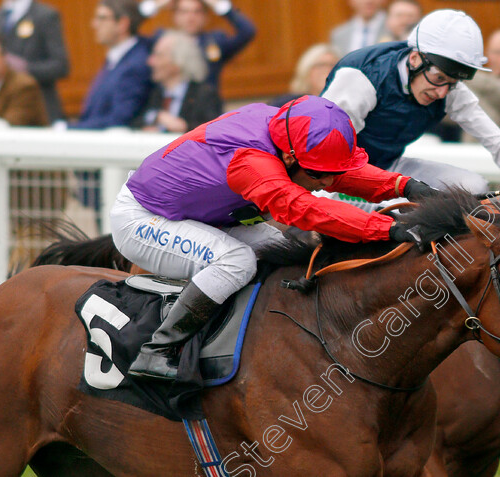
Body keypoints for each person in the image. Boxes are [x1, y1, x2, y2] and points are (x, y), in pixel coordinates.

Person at [111, 95, 433, 380]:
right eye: (319, 176)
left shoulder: (288, 134)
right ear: (291, 158)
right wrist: (387, 228)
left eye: (331, 174)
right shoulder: (250, 162)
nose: (328, 183)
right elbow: (305, 210)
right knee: (237, 261)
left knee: (283, 250)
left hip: (204, 215)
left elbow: (337, 173)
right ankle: (158, 351)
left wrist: (404, 186)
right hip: (144, 218)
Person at [322, 9, 500, 197]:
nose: (442, 93)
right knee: (397, 208)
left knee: (473, 188)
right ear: (414, 59)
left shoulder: (447, 87)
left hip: (389, 167)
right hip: (335, 176)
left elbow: (496, 139)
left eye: (452, 83)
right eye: (438, 79)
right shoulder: (360, 78)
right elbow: (325, 156)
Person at [139, 0, 256, 96]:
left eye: (197, 12)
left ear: (206, 17)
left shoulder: (215, 41)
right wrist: (154, 5)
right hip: (169, 107)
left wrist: (220, 5)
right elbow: (131, 31)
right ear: (174, 16)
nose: (190, 18)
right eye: (184, 12)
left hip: (205, 110)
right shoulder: (163, 40)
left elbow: (247, 32)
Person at [73, 0, 151, 130]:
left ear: (122, 23)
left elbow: (119, 118)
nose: (94, 24)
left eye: (102, 18)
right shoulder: (115, 59)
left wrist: (71, 129)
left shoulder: (136, 64)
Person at [131, 30, 221, 132]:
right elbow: (134, 120)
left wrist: (184, 127)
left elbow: (214, 131)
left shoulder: (204, 94)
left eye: (159, 55)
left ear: (178, 62)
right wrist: (156, 117)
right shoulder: (153, 92)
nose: (150, 61)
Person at [0, 0, 69, 122]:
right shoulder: (0, 14)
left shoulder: (45, 15)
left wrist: (27, 68)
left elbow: (61, 65)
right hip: (7, 108)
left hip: (39, 107)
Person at [268, 43, 339, 108]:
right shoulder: (287, 105)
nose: (327, 70)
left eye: (332, 65)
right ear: (306, 70)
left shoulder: (344, 104)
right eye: (321, 65)